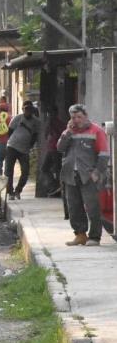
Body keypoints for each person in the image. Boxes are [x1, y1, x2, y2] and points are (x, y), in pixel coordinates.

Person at [58, 104, 110, 247]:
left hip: (88, 176)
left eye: (79, 117)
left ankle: (94, 237)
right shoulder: (69, 131)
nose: (76, 120)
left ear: (86, 116)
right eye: (73, 117)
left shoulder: (96, 131)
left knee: (92, 206)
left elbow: (104, 155)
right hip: (71, 175)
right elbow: (60, 148)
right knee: (74, 207)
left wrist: (97, 172)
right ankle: (80, 235)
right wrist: (67, 132)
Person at [4, 100, 40, 200]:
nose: (27, 111)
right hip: (12, 146)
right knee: (8, 171)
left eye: (29, 109)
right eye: (26, 109)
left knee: (25, 171)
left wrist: (30, 146)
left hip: (24, 150)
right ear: (23, 109)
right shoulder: (17, 118)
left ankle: (18, 190)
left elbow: (35, 135)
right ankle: (10, 192)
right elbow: (10, 132)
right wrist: (10, 143)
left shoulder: (36, 122)